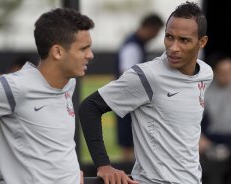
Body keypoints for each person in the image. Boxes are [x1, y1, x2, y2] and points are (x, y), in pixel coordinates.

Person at [0, 8, 94, 184]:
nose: (90, 55)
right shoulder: (15, 87)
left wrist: (69, 174)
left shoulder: (68, 83)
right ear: (57, 52)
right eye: (83, 49)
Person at [78, 1, 212, 184]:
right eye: (169, 37)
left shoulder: (205, 74)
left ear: (202, 42)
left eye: (184, 40)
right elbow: (89, 107)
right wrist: (103, 165)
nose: (173, 47)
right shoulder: (147, 76)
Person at [116, 13, 164, 161]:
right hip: (129, 101)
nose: (156, 36)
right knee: (129, 144)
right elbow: (128, 75)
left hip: (130, 100)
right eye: (156, 32)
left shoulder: (136, 44)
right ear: (150, 28)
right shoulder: (133, 45)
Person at [199, 54, 231, 184]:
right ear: (215, 72)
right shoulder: (204, 91)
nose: (227, 76)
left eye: (230, 72)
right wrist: (200, 137)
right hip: (211, 138)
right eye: (223, 72)